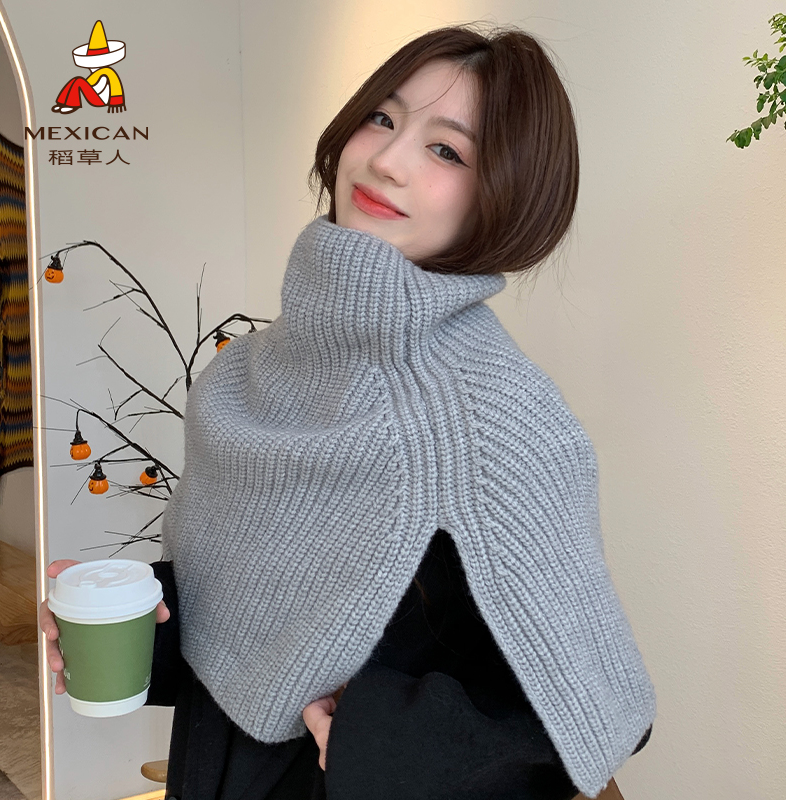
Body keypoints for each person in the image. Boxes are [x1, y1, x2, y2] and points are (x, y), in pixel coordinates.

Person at [40, 23, 655, 800]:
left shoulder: (490, 418)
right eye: (382, 117)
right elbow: (248, 611)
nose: (388, 159)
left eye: (447, 150)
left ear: (506, 195)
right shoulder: (242, 375)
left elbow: (598, 708)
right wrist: (135, 619)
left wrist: (386, 740)